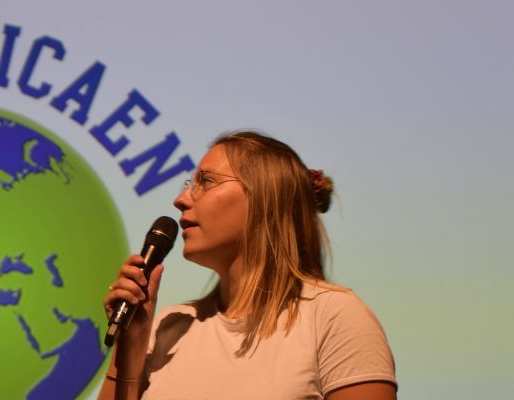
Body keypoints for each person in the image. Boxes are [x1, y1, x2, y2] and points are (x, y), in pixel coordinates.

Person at [99, 131, 396, 399]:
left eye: (207, 181)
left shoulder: (333, 317)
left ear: (266, 198)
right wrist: (130, 349)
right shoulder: (170, 326)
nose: (180, 199)